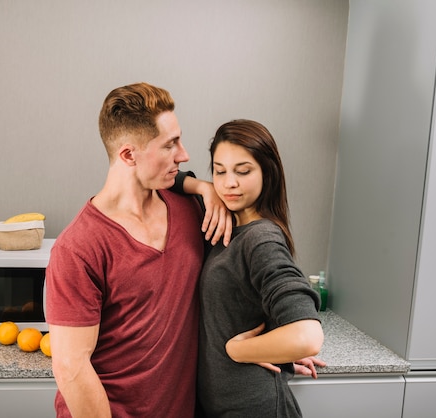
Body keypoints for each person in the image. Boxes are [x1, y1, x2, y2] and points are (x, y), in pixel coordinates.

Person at [45, 82, 230, 417]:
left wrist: (276, 337)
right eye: (170, 145)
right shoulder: (78, 248)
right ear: (128, 154)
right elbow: (71, 368)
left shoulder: (192, 211)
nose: (184, 154)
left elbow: (230, 285)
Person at [193, 119, 325, 417]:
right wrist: (202, 186)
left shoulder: (260, 237)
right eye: (219, 170)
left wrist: (237, 350)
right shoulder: (224, 227)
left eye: (243, 171)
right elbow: (165, 179)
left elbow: (307, 336)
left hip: (255, 407)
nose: (229, 183)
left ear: (268, 172)